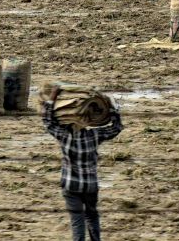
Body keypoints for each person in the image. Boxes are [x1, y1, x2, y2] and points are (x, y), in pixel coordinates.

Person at [42, 86, 123, 241]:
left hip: (70, 186)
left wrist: (52, 97)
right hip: (90, 186)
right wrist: (112, 108)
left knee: (77, 221)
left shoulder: (64, 135)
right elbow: (116, 128)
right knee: (92, 216)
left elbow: (47, 121)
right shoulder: (94, 135)